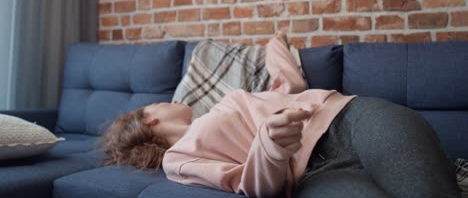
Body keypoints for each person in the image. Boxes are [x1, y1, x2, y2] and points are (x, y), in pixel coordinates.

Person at [102, 32, 460, 198]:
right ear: (148, 118)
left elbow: (285, 87)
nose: (167, 100)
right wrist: (270, 148)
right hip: (313, 176)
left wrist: (276, 44)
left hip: (349, 120)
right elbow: (252, 186)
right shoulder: (179, 159)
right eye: (158, 103)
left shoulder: (227, 103)